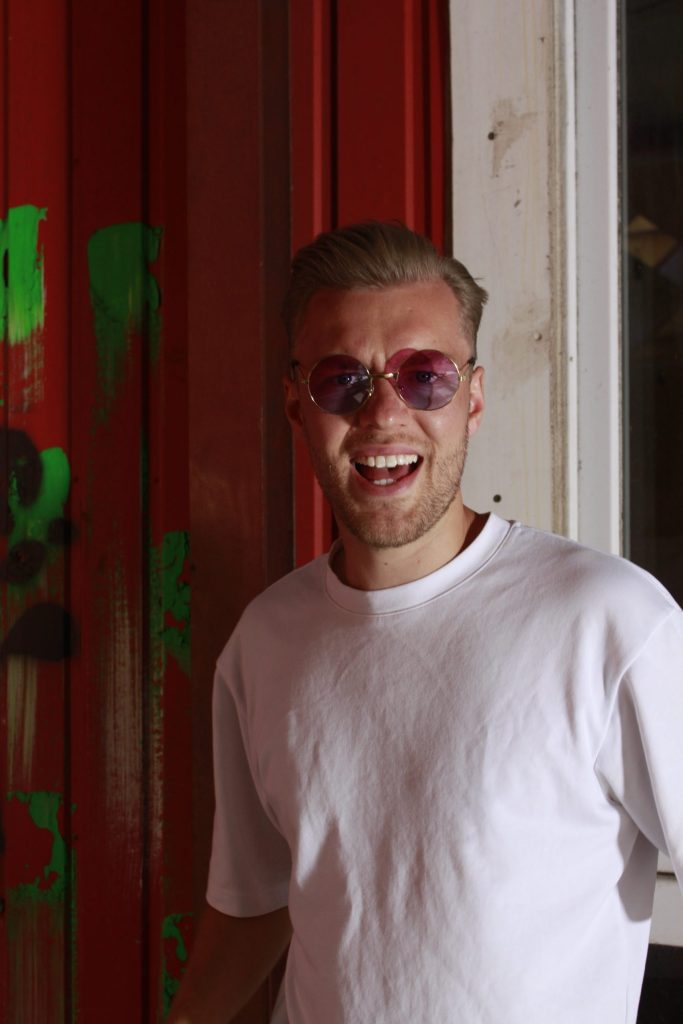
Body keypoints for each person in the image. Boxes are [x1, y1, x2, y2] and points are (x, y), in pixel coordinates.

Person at [170, 222, 683, 1024]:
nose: (384, 414)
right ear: (295, 403)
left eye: (424, 377)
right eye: (342, 380)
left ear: (471, 398)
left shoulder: (608, 621)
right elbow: (256, 898)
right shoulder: (264, 642)